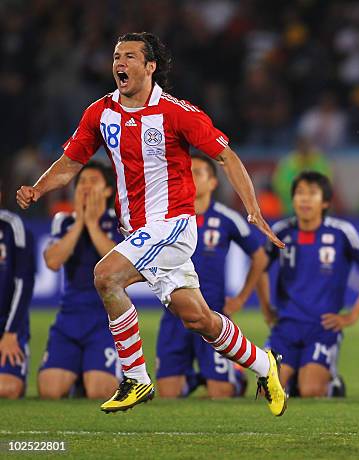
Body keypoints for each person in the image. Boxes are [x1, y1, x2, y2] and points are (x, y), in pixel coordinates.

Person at [16, 32, 287, 416]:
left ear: (150, 66)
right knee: (199, 318)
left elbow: (227, 157)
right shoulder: (100, 112)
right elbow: (72, 161)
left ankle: (136, 377)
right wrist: (39, 188)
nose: (119, 64)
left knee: (106, 275)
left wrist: (253, 209)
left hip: (172, 225)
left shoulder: (177, 113)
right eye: (115, 56)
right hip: (139, 233)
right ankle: (265, 364)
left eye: (129, 56)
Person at [156, 152, 267, 398]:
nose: (190, 178)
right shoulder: (165, 217)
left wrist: (241, 299)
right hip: (174, 315)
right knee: (167, 394)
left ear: (212, 183)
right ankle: (194, 379)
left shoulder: (226, 218)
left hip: (212, 314)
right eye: (186, 172)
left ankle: (234, 378)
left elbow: (260, 256)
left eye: (197, 173)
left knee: (221, 393)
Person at [258, 171, 359, 397]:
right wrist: (265, 307)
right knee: (268, 393)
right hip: (285, 326)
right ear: (292, 200)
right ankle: (291, 383)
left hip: (323, 328)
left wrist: (353, 314)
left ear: (325, 202)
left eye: (312, 193)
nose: (304, 199)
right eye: (300, 193)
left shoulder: (342, 231)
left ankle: (332, 386)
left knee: (312, 390)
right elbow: (259, 269)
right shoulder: (281, 231)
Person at [38, 161, 121, 399]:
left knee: (100, 391)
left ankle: (98, 376)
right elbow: (53, 261)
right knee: (49, 391)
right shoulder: (64, 222)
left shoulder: (119, 222)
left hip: (105, 318)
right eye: (81, 182)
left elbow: (117, 265)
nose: (85, 187)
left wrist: (93, 225)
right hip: (69, 317)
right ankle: (80, 378)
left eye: (93, 181)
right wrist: (80, 224)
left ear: (108, 190)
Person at [0, 182, 35, 398]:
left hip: (7, 326)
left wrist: (11, 333)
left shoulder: (12, 226)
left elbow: (24, 282)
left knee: (8, 389)